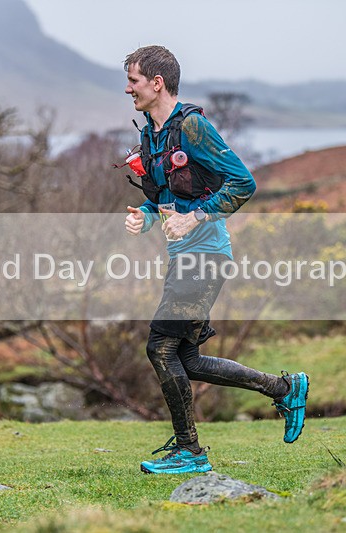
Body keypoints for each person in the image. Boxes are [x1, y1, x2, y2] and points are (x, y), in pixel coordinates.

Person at [122, 45, 310, 475]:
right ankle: (284, 388)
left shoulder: (192, 125)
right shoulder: (151, 134)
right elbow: (167, 200)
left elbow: (243, 183)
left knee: (160, 346)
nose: (127, 88)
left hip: (206, 255)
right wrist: (146, 217)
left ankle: (190, 451)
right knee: (187, 359)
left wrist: (194, 219)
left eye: (133, 80)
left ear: (157, 82)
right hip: (183, 255)